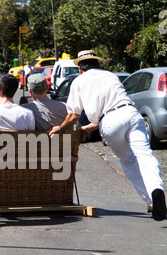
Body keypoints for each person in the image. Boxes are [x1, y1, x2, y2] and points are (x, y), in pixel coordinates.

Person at [49, 50, 166, 221]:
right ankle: (157, 188)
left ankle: (151, 200)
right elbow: (115, 104)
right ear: (97, 64)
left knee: (128, 160)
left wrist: (61, 128)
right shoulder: (110, 75)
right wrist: (96, 123)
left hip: (110, 122)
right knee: (145, 155)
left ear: (80, 68)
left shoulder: (79, 81)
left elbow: (73, 115)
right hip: (131, 113)